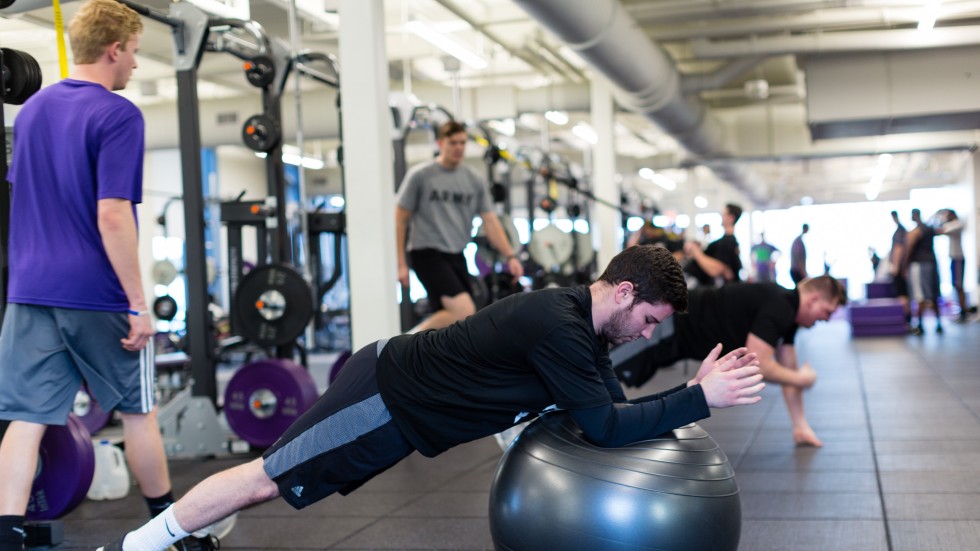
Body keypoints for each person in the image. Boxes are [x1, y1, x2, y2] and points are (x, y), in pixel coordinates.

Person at [96, 246, 765, 551]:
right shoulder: (558, 325)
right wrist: (698, 398)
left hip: (408, 415)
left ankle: (187, 536)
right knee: (265, 480)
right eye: (649, 318)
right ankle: (141, 543)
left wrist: (688, 391)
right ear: (623, 292)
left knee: (269, 483)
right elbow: (606, 426)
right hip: (383, 395)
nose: (648, 332)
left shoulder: (583, 329)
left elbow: (608, 407)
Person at [0, 3, 215, 551]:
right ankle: (170, 532)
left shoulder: (29, 114)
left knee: (26, 417)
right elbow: (113, 214)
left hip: (28, 290)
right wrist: (139, 303)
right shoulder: (118, 114)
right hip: (96, 292)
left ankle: (8, 534)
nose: (136, 65)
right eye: (136, 52)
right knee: (138, 410)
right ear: (115, 49)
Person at [613, 275, 847, 447]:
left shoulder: (788, 315)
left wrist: (800, 425)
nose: (825, 320)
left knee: (612, 377)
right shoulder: (781, 305)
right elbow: (762, 366)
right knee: (606, 370)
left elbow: (789, 371)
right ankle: (586, 436)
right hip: (668, 324)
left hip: (681, 339)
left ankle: (597, 429)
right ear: (813, 299)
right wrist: (802, 379)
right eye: (827, 311)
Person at [395, 120, 523, 333]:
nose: (459, 148)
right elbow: (400, 218)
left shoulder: (474, 179)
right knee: (463, 310)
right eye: (453, 142)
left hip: (456, 253)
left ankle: (430, 360)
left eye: (462, 142)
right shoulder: (420, 175)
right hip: (426, 252)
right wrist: (400, 264)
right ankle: (402, 346)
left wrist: (511, 256)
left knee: (463, 320)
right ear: (440, 143)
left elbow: (490, 221)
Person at [683, 203, 744, 287]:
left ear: (731, 218)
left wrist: (696, 250)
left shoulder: (728, 241)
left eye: (724, 214)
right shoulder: (723, 241)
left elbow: (716, 269)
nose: (721, 216)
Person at [903, 208, 943, 335]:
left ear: (915, 216)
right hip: (931, 263)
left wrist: (904, 266)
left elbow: (908, 250)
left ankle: (919, 325)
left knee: (920, 294)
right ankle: (938, 324)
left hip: (919, 265)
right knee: (933, 294)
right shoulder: (929, 229)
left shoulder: (915, 231)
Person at [936, 209, 968, 322]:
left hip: (958, 258)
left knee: (959, 286)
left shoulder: (957, 224)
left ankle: (964, 312)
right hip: (953, 259)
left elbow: (940, 230)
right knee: (955, 286)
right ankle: (961, 311)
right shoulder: (951, 224)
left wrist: (941, 220)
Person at [888, 210, 911, 327]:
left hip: (900, 269)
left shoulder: (900, 231)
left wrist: (896, 266)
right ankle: (907, 320)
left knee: (902, 296)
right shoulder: (903, 230)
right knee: (904, 295)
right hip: (903, 269)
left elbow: (898, 248)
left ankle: (906, 321)